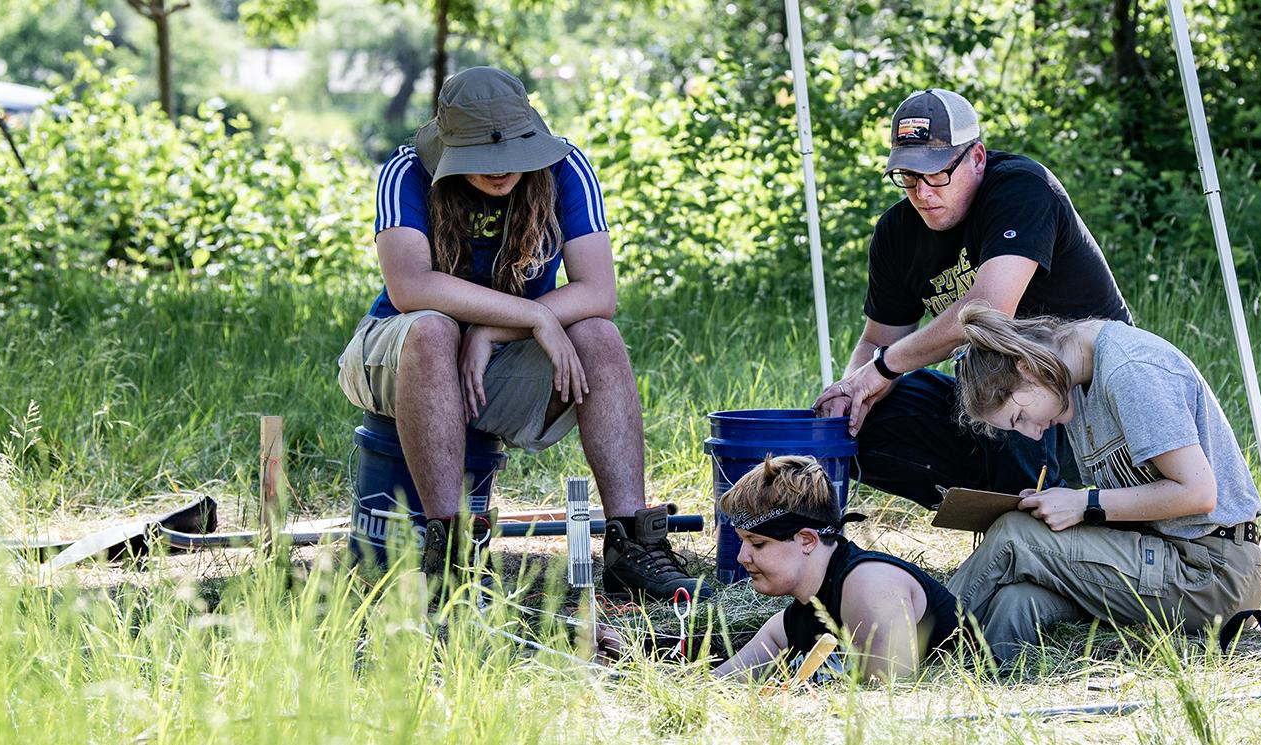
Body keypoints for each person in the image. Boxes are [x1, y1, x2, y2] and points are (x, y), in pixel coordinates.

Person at [335, 66, 702, 601]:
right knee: (435, 330)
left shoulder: (566, 167)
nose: (501, 171)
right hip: (398, 352)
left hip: (495, 363)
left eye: (511, 156)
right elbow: (411, 287)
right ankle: (449, 550)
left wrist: (490, 329)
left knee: (598, 336)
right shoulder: (406, 169)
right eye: (482, 159)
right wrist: (531, 315)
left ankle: (632, 543)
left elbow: (598, 291)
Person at [813, 88, 1131, 508]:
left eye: (936, 173)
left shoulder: (1021, 187)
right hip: (1001, 413)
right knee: (860, 421)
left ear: (977, 158)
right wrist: (852, 390)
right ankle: (1000, 508)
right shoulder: (895, 233)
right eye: (908, 176)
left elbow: (987, 310)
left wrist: (885, 367)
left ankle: (1045, 520)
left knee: (999, 364)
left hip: (1093, 403)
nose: (922, 191)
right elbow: (877, 342)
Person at [945, 304, 1261, 664]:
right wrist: (1060, 506)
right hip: (1159, 553)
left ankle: (919, 645)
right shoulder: (1074, 385)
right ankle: (991, 687)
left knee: (1014, 534)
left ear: (1027, 367)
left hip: (1211, 572)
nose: (1033, 433)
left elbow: (1198, 493)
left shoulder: (1130, 370)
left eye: (1020, 416)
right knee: (1017, 601)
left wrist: (1085, 504)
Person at [711, 456, 964, 683]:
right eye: (742, 541)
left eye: (757, 543)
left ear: (807, 540)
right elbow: (715, 686)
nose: (742, 557)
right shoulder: (792, 622)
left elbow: (891, 703)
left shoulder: (872, 589)